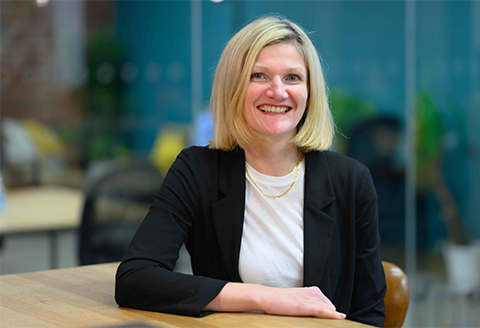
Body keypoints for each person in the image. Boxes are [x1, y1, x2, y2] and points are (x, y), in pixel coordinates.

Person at [115, 15, 386, 327]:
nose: (278, 91)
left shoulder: (350, 181)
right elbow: (134, 279)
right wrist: (267, 298)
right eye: (259, 76)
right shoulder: (197, 170)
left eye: (293, 78)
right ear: (233, 87)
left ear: (310, 91)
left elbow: (369, 316)